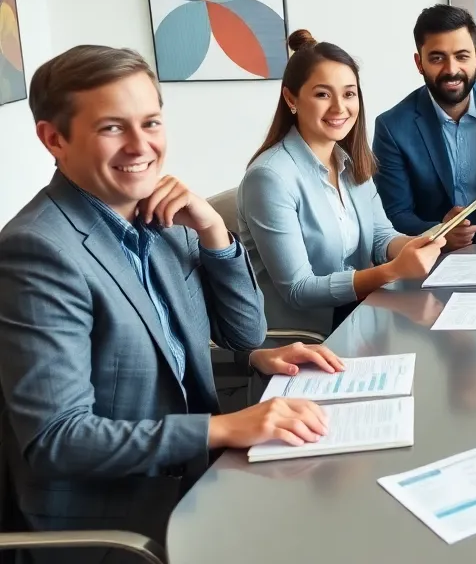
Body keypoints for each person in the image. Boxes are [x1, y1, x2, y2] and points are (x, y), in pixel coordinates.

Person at [0, 45, 334, 558]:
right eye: (112, 128)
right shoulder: (38, 251)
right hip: (117, 521)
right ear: (54, 138)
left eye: (151, 122)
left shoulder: (160, 218)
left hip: (196, 480)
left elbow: (243, 334)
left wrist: (214, 231)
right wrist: (223, 427)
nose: (141, 146)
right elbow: (58, 439)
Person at [237, 31, 447, 335]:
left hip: (360, 319)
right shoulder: (269, 177)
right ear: (291, 99)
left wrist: (412, 245)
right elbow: (298, 289)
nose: (340, 108)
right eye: (323, 94)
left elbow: (380, 236)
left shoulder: (350, 162)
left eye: (349, 94)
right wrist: (392, 271)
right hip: (306, 337)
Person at [372, 4, 476, 243]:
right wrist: (439, 232)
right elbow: (395, 214)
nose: (451, 70)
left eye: (462, 56)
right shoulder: (392, 127)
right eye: (437, 58)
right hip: (435, 257)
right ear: (419, 63)